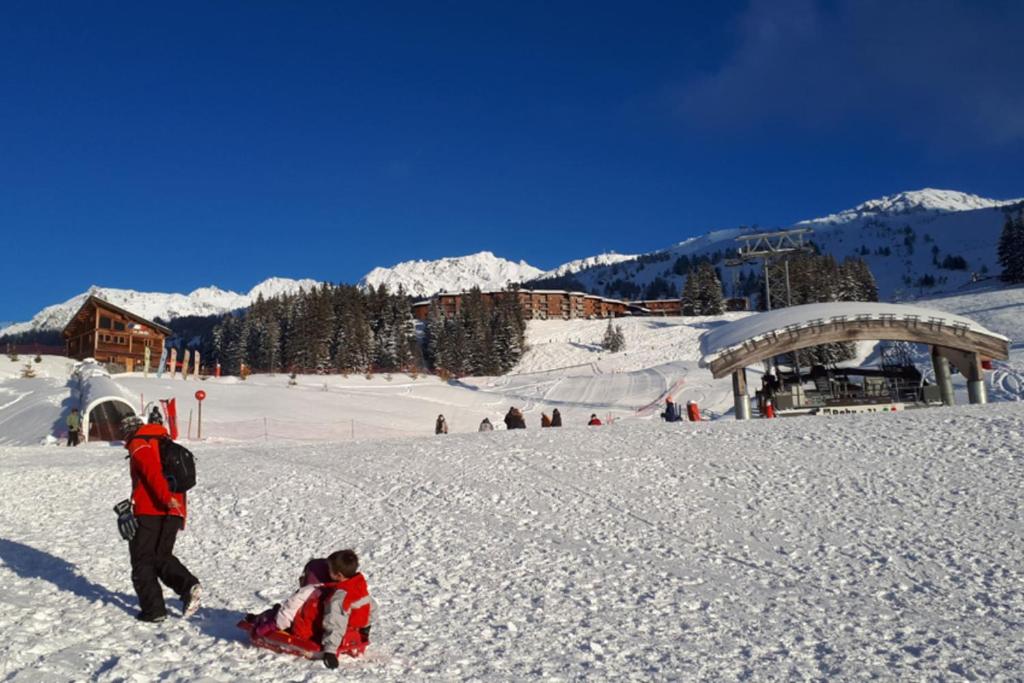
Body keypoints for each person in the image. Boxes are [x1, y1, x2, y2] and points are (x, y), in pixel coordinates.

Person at [121, 414, 201, 622]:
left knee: (142, 560)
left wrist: (166, 500)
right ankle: (188, 587)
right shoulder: (163, 440)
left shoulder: (139, 443)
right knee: (160, 556)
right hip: (173, 511)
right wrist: (174, 506)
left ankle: (154, 610)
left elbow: (152, 472)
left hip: (152, 510)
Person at [246, 549, 376, 667]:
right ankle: (262, 616)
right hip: (348, 631)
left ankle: (258, 620)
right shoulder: (359, 586)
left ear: (338, 575)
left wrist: (330, 651)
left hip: (308, 631)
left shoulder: (336, 597)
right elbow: (371, 607)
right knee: (279, 612)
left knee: (274, 616)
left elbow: (335, 623)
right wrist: (364, 629)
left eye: (329, 570)